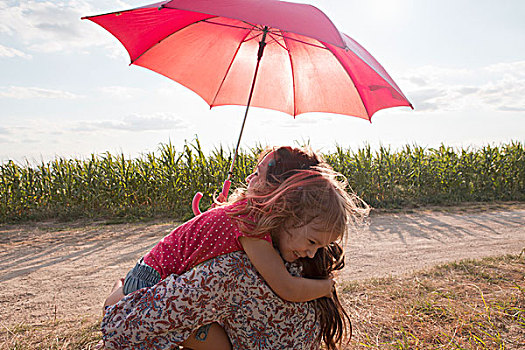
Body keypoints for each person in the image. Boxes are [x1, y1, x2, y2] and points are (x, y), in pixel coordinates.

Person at [101, 146, 368, 349]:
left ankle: (120, 290)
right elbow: (285, 285)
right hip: (152, 278)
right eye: (312, 243)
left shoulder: (243, 218)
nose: (313, 253)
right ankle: (119, 292)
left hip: (153, 274)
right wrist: (326, 287)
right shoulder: (251, 231)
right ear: (286, 210)